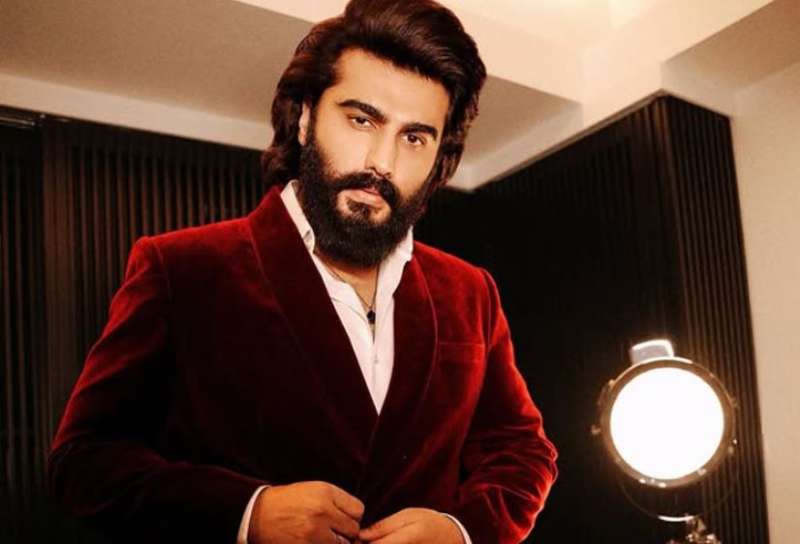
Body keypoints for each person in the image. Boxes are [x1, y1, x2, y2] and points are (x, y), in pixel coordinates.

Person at [47, 1, 558, 543]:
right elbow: (83, 461)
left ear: (438, 156)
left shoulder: (470, 290)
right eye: (361, 120)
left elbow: (524, 450)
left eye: (414, 138)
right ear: (307, 116)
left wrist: (463, 530)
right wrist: (248, 513)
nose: (382, 162)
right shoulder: (181, 268)